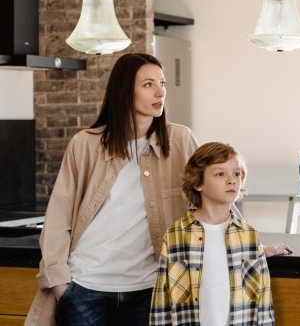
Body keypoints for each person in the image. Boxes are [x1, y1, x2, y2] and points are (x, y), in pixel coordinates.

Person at [25, 53, 200, 326]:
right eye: (148, 84)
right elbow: (58, 218)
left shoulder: (181, 141)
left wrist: (251, 244)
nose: (160, 92)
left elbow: (208, 201)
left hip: (149, 289)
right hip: (85, 288)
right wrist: (61, 286)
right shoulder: (85, 144)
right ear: (123, 91)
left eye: (162, 83)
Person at [149, 142, 276, 326]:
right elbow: (162, 300)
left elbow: (263, 301)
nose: (232, 180)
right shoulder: (177, 235)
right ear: (199, 183)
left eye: (237, 173)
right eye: (220, 174)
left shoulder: (249, 236)